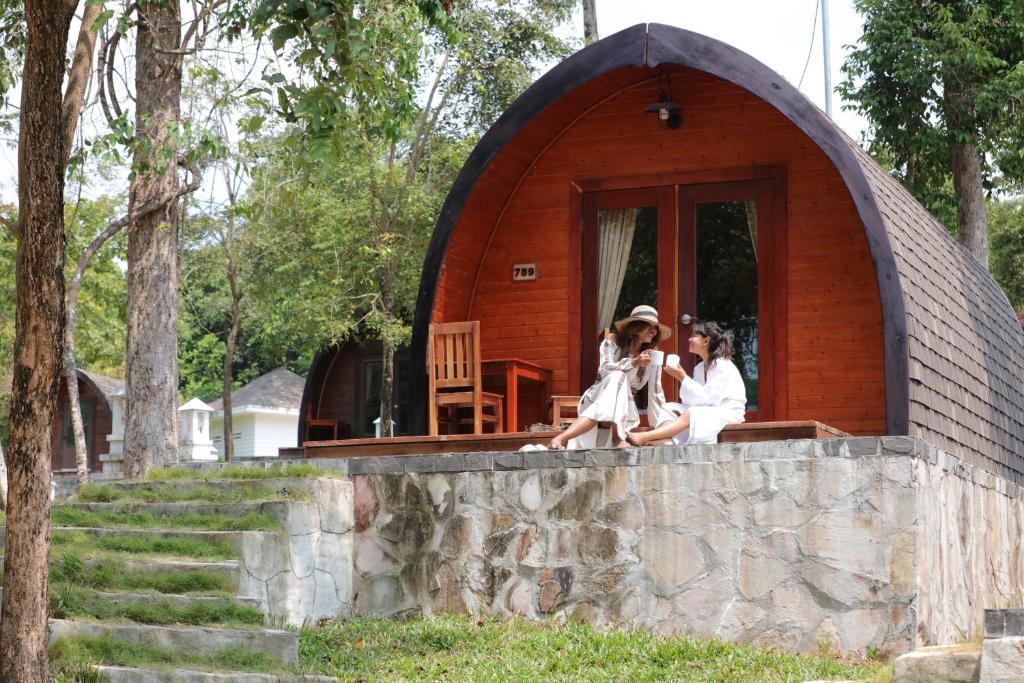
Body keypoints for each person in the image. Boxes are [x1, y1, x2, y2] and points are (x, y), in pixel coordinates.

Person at [549, 305, 671, 449]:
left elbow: (655, 390)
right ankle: (617, 437)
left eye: (655, 327)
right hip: (599, 395)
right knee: (618, 377)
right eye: (648, 326)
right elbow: (605, 368)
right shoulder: (613, 341)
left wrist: (660, 427)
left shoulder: (652, 354)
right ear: (635, 327)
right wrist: (633, 362)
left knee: (617, 386)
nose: (653, 331)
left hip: (625, 406)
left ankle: (561, 438)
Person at [626, 320, 746, 446]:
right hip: (707, 409)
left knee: (692, 413)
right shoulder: (699, 367)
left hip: (727, 412)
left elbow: (708, 398)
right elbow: (692, 400)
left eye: (694, 335)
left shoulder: (723, 365)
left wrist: (682, 377)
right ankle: (664, 440)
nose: (689, 339)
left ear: (706, 341)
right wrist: (682, 378)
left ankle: (647, 436)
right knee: (669, 407)